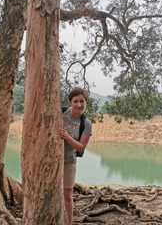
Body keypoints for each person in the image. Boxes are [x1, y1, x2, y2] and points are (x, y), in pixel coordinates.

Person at [59, 87, 92, 225]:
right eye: (75, 101)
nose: (79, 105)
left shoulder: (86, 123)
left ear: (85, 102)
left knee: (67, 196)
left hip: (69, 162)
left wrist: (67, 137)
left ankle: (69, 223)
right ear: (70, 102)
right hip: (51, 161)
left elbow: (81, 147)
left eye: (82, 101)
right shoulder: (60, 113)